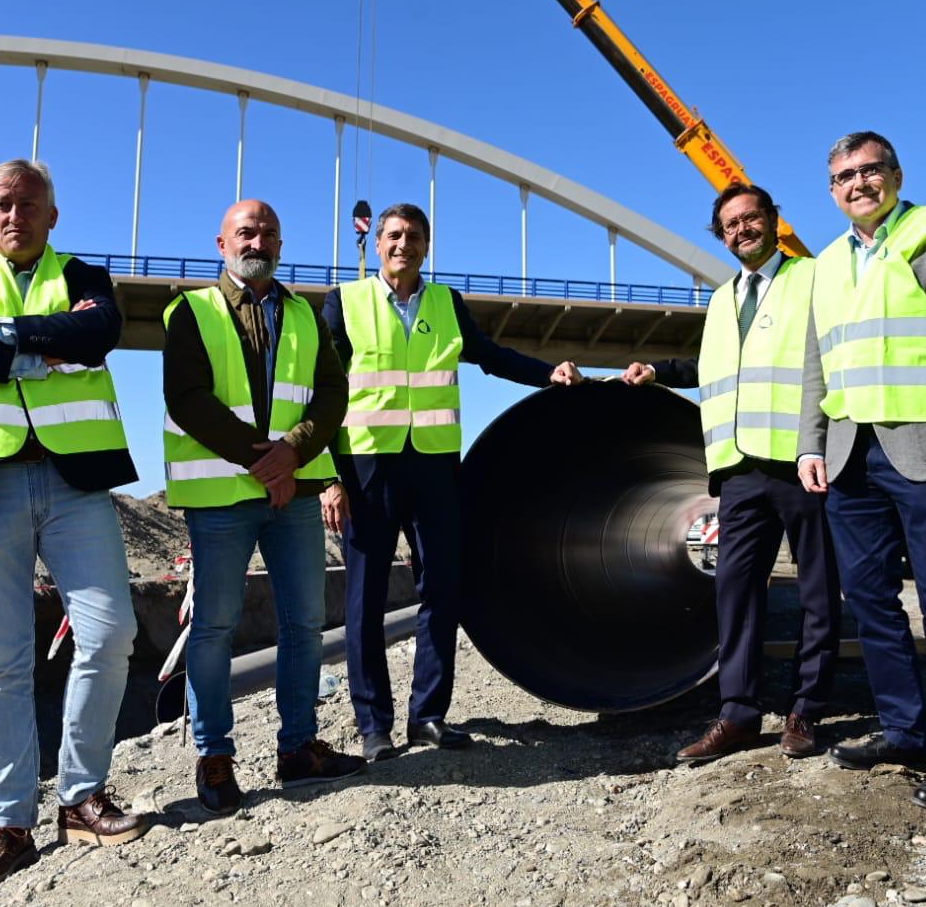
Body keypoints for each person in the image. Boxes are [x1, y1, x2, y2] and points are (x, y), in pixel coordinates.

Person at [0, 159, 148, 888]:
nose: (15, 216)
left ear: (52, 215)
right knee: (3, 661)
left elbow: (100, 335)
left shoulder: (86, 277)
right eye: (2, 206)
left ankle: (80, 798)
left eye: (29, 205)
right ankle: (7, 822)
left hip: (74, 481)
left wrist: (3, 335)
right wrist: (41, 350)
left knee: (111, 634)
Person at [320, 202, 583, 761]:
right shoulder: (345, 302)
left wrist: (547, 374)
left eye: (413, 236)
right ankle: (374, 726)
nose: (402, 245)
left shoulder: (446, 302)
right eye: (393, 235)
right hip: (365, 466)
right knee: (364, 599)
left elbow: (487, 356)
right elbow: (322, 392)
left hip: (436, 465)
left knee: (442, 590)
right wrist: (327, 477)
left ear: (426, 245)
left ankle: (428, 716)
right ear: (379, 242)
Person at [797, 132, 926, 817]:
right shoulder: (824, 263)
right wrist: (808, 445)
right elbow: (817, 362)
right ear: (831, 191)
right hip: (850, 456)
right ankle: (906, 731)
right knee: (872, 604)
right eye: (843, 176)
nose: (857, 183)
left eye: (868, 170)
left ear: (895, 173)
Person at [621, 183, 840, 763]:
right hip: (738, 469)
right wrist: (661, 371)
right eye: (730, 225)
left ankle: (806, 710)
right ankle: (739, 712)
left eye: (751, 219)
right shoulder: (722, 299)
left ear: (773, 220)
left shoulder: (813, 279)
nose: (741, 230)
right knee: (734, 589)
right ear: (720, 235)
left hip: (801, 461)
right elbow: (722, 368)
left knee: (819, 590)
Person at [162, 199, 365, 816]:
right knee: (214, 627)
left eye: (269, 232)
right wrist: (264, 461)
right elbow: (187, 398)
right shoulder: (190, 311)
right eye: (245, 232)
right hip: (224, 496)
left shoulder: (305, 313)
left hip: (296, 492)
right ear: (221, 243)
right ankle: (215, 756)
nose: (259, 240)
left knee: (304, 623)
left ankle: (298, 748)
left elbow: (333, 392)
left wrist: (294, 453)